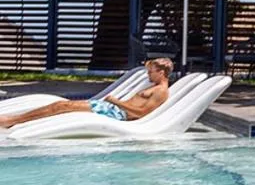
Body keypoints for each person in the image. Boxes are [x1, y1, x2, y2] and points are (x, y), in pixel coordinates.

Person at [0, 58, 173, 128]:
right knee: (61, 105)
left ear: (162, 72)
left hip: (117, 113)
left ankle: (12, 121)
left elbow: (141, 112)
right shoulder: (154, 87)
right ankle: (16, 120)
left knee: (62, 105)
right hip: (112, 108)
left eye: (151, 72)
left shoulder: (160, 91)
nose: (148, 75)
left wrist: (115, 101)